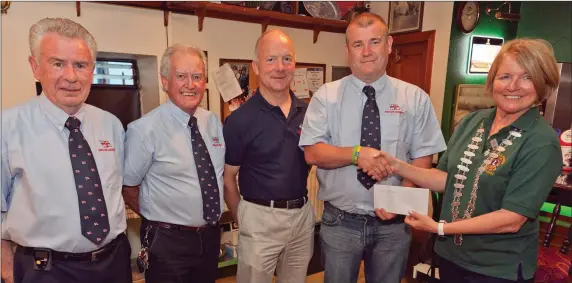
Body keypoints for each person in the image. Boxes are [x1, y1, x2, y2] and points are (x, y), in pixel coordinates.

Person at [377, 38, 563, 283]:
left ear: (543, 84)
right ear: (492, 80)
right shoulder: (471, 122)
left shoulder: (542, 142)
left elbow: (512, 219)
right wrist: (398, 165)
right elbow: (445, 178)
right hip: (452, 256)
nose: (513, 86)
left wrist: (439, 228)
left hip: (497, 269)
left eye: (527, 77)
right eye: (505, 76)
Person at [299, 12, 446, 283]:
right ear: (347, 51)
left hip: (393, 227)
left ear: (389, 45)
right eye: (358, 44)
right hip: (340, 223)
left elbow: (423, 158)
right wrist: (357, 154)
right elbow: (313, 152)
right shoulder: (325, 97)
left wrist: (401, 200)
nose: (366, 52)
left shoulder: (415, 99)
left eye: (374, 42)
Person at [1, 18, 131, 283]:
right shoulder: (8, 128)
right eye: (58, 63)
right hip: (45, 271)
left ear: (92, 70)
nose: (71, 77)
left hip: (113, 264)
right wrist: (6, 269)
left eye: (80, 65)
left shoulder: (111, 125)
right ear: (35, 67)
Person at [122, 44, 225, 283]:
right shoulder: (144, 130)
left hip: (209, 237)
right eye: (181, 76)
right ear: (164, 81)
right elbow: (129, 187)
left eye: (197, 76)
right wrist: (161, 219)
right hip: (167, 243)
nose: (190, 84)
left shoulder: (212, 122)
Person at [223, 29, 315, 283]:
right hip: (259, 219)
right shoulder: (239, 120)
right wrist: (243, 216)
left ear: (295, 64)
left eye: (287, 59)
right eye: (271, 59)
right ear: (256, 66)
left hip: (302, 217)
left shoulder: (309, 114)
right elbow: (228, 179)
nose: (280, 67)